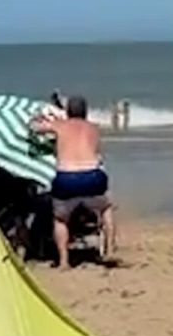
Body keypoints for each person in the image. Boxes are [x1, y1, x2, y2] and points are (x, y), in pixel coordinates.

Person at [32, 95, 118, 267]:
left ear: (67, 112)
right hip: (93, 176)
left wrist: (40, 117)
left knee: (60, 219)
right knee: (106, 208)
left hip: (67, 177)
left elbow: (35, 128)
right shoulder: (94, 128)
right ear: (86, 112)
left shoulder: (60, 125)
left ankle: (64, 261)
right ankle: (109, 251)